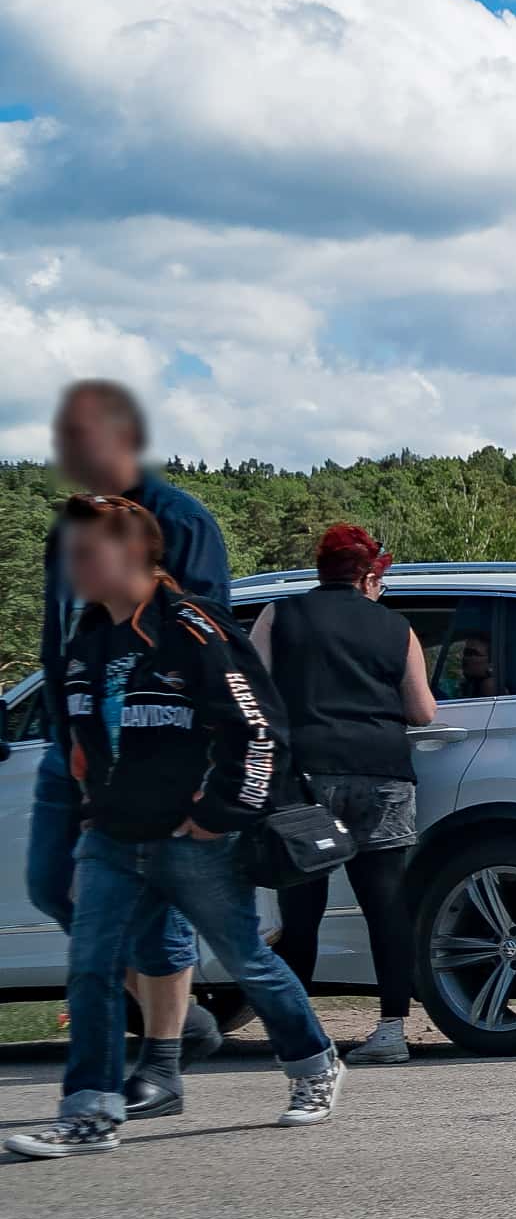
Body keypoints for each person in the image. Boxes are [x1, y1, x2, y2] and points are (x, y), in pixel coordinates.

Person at [7, 496, 342, 1158]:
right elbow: (82, 736)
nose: (70, 564)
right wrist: (89, 809)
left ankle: (315, 1063)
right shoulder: (87, 638)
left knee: (248, 959)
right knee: (92, 967)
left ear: (132, 553)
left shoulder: (193, 626)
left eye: (85, 550)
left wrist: (218, 815)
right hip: (110, 838)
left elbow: (259, 729)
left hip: (195, 840)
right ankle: (91, 1114)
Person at [27, 379, 233, 1105]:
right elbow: (60, 638)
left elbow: (205, 636)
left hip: (149, 740)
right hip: (73, 738)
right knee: (50, 884)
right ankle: (178, 1021)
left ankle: (164, 1063)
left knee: (154, 898)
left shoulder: (181, 519)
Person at [249, 524, 438, 1065]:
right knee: (386, 907)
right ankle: (391, 1032)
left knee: (301, 909)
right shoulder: (395, 628)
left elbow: (251, 692)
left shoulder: (279, 616)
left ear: (320, 567)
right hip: (381, 774)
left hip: (305, 777)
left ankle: (300, 1035)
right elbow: (423, 711)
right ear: (370, 573)